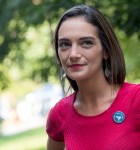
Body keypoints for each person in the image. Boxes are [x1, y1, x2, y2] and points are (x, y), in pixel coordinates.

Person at [46, 4, 140, 150]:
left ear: (106, 51)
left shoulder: (136, 100)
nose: (73, 54)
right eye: (65, 44)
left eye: (86, 43)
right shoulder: (59, 114)